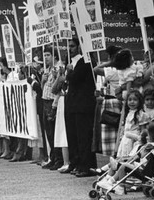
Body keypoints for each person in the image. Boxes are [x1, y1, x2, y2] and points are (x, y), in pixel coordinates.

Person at [97, 121, 154, 195]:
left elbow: (142, 155)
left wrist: (143, 149)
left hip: (144, 172)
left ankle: (118, 186)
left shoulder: (152, 146)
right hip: (143, 168)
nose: (146, 137)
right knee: (123, 165)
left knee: (124, 166)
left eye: (148, 136)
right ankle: (109, 181)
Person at [64, 37, 98, 177]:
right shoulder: (70, 62)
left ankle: (86, 165)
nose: (69, 49)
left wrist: (69, 72)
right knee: (74, 136)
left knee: (84, 137)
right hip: (73, 104)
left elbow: (76, 79)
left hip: (84, 105)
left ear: (79, 47)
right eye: (68, 46)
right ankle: (77, 163)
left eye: (72, 46)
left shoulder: (86, 61)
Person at [93, 45, 123, 157]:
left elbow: (95, 69)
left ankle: (111, 160)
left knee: (111, 135)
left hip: (113, 103)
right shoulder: (127, 69)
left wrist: (110, 63)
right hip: (118, 101)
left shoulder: (113, 71)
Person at [40, 47, 64, 170]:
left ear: (54, 56)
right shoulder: (47, 69)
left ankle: (58, 159)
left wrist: (55, 77)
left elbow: (58, 87)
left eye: (48, 55)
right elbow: (44, 87)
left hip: (52, 102)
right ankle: (53, 157)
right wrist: (42, 81)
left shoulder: (58, 68)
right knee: (48, 132)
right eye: (45, 55)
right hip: (45, 101)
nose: (46, 57)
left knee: (54, 131)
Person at [116, 90, 149, 158]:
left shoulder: (141, 114)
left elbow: (143, 130)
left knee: (130, 156)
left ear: (139, 101)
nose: (132, 102)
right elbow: (124, 127)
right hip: (125, 138)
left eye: (135, 100)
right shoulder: (127, 113)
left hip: (134, 139)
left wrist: (140, 140)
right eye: (130, 100)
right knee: (122, 155)